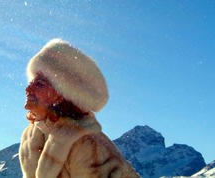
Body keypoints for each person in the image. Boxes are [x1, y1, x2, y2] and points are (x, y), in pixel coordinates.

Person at [19, 38, 140, 178]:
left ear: (61, 95)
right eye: (31, 82)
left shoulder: (87, 144)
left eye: (39, 84)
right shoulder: (32, 136)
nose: (28, 89)